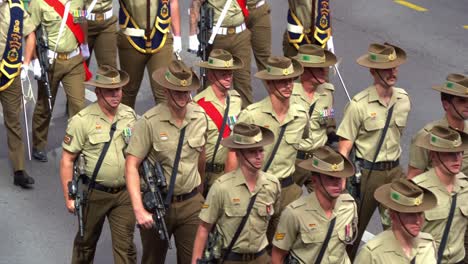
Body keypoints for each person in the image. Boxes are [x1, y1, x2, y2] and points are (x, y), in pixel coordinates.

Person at [125, 60, 208, 264]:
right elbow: (131, 165)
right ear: (165, 90)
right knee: (152, 260)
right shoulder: (149, 122)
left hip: (191, 203)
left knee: (193, 260)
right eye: (177, 92)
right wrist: (139, 210)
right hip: (159, 204)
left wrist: (200, 192)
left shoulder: (199, 117)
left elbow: (201, 156)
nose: (183, 97)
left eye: (186, 92)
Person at [336, 42, 411, 259]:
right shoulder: (359, 105)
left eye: (395, 67)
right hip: (367, 175)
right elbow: (344, 148)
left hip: (394, 172)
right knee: (352, 233)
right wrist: (342, 182)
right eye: (387, 69)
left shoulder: (404, 100)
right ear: (373, 70)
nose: (392, 72)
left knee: (400, 230)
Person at [60, 65, 137, 263]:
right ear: (98, 92)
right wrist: (69, 197)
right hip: (94, 192)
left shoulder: (129, 115)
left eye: (118, 90)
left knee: (126, 247)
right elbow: (67, 160)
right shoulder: (82, 121)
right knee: (85, 244)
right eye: (110, 91)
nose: (115, 95)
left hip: (124, 193)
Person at [229, 56, 310, 242]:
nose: (288, 85)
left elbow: (303, 146)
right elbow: (234, 155)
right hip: (259, 189)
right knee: (254, 245)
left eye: (290, 79)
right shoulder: (252, 115)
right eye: (282, 81)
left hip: (288, 190)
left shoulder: (300, 114)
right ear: (269, 83)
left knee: (284, 247)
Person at [191, 122, 281, 264]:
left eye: (261, 150)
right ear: (238, 154)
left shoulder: (272, 185)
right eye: (252, 151)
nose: (259, 156)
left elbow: (274, 223)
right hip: (231, 258)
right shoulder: (222, 187)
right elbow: (204, 228)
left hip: (261, 258)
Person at [407, 73, 468, 264]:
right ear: (446, 104)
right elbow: (412, 180)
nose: (467, 104)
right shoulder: (426, 137)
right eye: (461, 100)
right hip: (435, 216)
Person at [272, 146, 358, 264]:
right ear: (315, 180)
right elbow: (278, 256)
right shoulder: (294, 213)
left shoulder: (349, 206)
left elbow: (345, 246)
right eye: (331, 178)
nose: (338, 183)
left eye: (340, 177)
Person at [29, 0, 90, 162]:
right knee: (45, 105)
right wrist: (35, 60)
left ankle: (75, 146)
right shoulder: (39, 3)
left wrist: (84, 44)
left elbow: (81, 20)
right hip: (51, 61)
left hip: (74, 59)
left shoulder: (78, 1)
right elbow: (31, 31)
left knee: (78, 105)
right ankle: (38, 144)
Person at [412, 125, 468, 264]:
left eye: (460, 152)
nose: (457, 158)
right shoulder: (417, 190)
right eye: (449, 153)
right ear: (433, 155)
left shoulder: (466, 187)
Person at [193, 49, 244, 194]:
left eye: (230, 73)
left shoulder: (236, 100)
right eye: (223, 74)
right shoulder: (199, 104)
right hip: (209, 174)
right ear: (211, 75)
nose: (229, 77)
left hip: (233, 172)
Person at [290, 44, 338, 191]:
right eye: (319, 68)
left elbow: (328, 121)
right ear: (305, 69)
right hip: (293, 160)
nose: (325, 71)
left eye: (324, 67)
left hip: (317, 161)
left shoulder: (327, 93)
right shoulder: (289, 93)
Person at [355, 178, 438, 264]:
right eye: (410, 214)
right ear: (393, 215)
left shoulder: (428, 244)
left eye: (420, 213)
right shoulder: (372, 254)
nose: (418, 221)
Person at [189, 0, 253, 107]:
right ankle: (207, 118)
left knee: (243, 82)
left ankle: (244, 120)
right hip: (216, 37)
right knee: (212, 82)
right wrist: (192, 34)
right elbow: (196, 3)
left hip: (240, 35)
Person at [118, 0, 181, 107]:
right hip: (131, 38)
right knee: (127, 92)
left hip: (161, 37)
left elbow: (173, 2)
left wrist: (178, 35)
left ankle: (163, 123)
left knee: (164, 92)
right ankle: (124, 122)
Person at [0, 0, 36, 187]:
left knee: (13, 120)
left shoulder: (16, 7)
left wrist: (27, 63)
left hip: (9, 72)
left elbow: (30, 35)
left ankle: (19, 170)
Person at [84, 0, 118, 67]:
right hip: (82, 21)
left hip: (107, 24)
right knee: (78, 68)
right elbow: (74, 5)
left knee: (109, 70)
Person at [245, 0, 271, 72]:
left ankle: (272, 83)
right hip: (234, 12)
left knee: (264, 57)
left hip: (259, 8)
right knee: (240, 59)